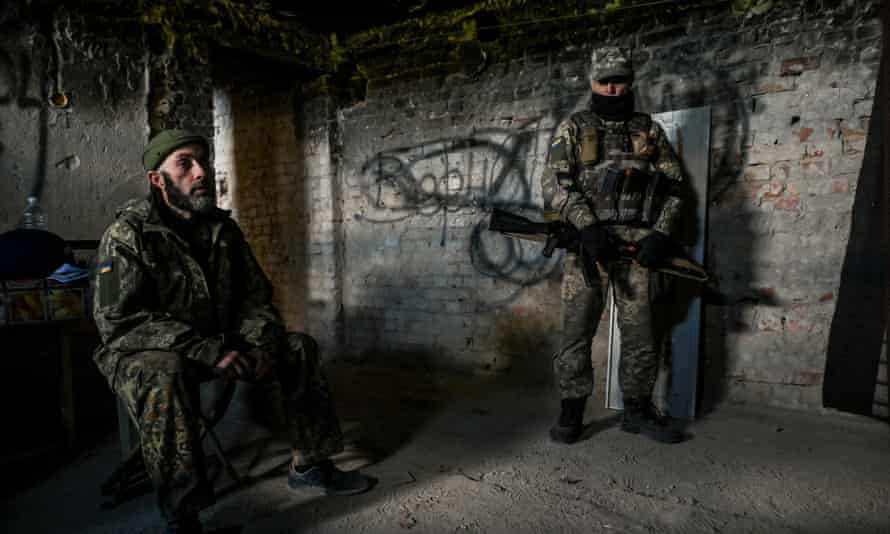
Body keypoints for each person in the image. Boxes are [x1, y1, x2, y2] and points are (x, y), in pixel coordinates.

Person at [92, 129, 373, 533]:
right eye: (185, 163)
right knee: (164, 372)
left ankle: (310, 464)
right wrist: (206, 351)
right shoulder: (128, 235)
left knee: (298, 348)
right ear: (158, 179)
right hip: (143, 353)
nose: (201, 171)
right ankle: (184, 518)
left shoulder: (223, 231)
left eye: (203, 160)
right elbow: (120, 322)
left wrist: (259, 345)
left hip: (219, 343)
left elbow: (256, 299)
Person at [541, 46, 686, 445]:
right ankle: (571, 412)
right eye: (604, 80)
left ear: (630, 81)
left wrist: (660, 233)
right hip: (588, 250)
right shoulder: (573, 127)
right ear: (591, 81)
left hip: (638, 249)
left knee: (641, 333)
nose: (611, 87)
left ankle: (637, 411)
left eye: (618, 79)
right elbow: (556, 185)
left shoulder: (649, 129)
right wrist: (587, 228)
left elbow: (675, 187)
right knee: (577, 331)